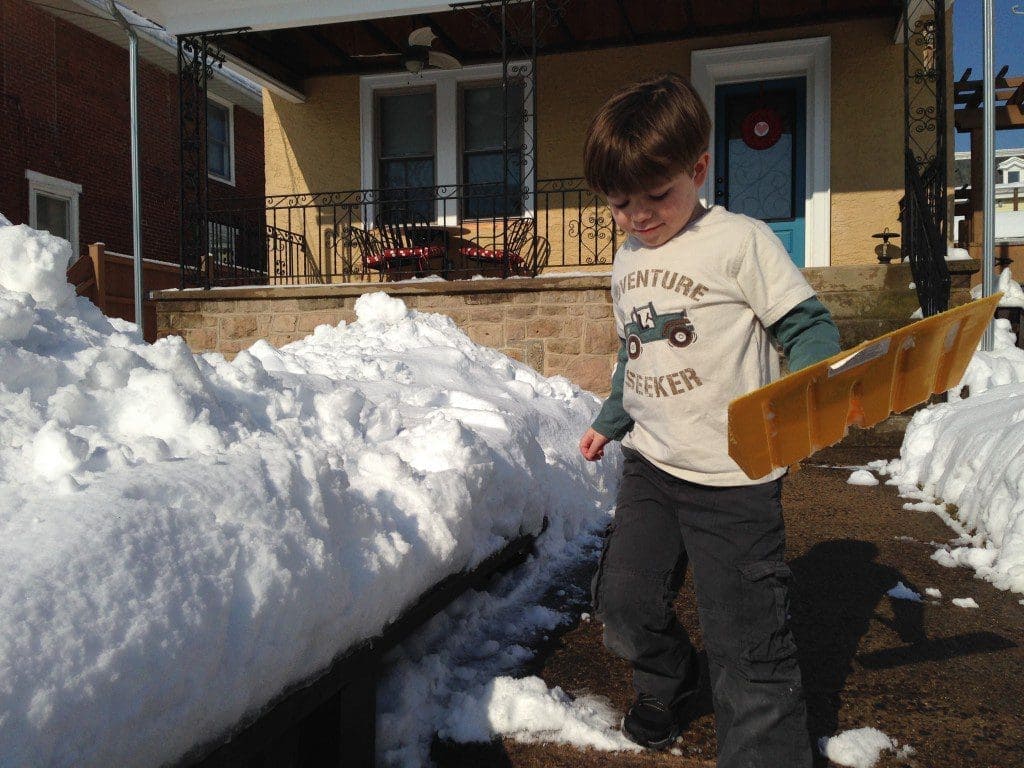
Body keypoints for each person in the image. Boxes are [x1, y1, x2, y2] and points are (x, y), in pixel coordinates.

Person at [578, 73, 840, 767]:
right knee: (623, 604)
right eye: (620, 202)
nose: (639, 215)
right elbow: (633, 355)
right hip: (654, 466)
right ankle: (669, 679)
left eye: (657, 195)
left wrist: (814, 392)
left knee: (749, 641)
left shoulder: (740, 241)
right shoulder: (627, 260)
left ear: (698, 169)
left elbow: (807, 325)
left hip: (736, 476)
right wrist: (611, 419)